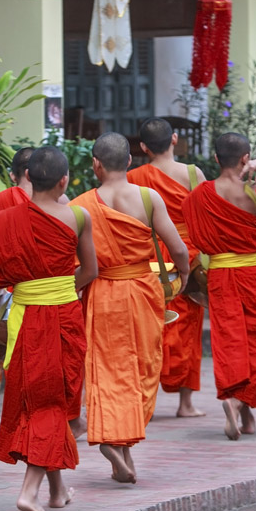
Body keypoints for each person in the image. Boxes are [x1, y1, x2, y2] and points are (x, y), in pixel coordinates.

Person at [0, 146, 98, 511]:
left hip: (26, 316)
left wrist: (33, 288)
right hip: (64, 316)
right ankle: (29, 493)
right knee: (52, 402)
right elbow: (91, 271)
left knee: (42, 397)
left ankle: (57, 491)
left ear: (28, 177)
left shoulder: (7, 218)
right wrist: (60, 289)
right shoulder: (78, 216)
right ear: (64, 181)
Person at [71, 133, 189, 482]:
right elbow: (178, 248)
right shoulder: (147, 197)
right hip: (143, 292)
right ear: (130, 161)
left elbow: (74, 262)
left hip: (102, 292)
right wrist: (182, 273)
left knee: (108, 370)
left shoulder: (80, 206)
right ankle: (120, 445)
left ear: (95, 165)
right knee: (142, 367)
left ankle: (114, 442)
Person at [183, 133, 256, 440]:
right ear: (245, 159)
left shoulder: (198, 196)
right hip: (252, 272)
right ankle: (239, 402)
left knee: (230, 340)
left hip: (221, 275)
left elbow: (197, 240)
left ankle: (240, 407)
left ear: (215, 159)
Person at [127, 117, 207, 417]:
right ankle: (185, 404)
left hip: (149, 255)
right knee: (187, 328)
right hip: (187, 253)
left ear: (144, 147)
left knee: (148, 326)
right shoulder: (192, 173)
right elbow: (203, 214)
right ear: (174, 139)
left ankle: (143, 397)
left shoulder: (133, 176)